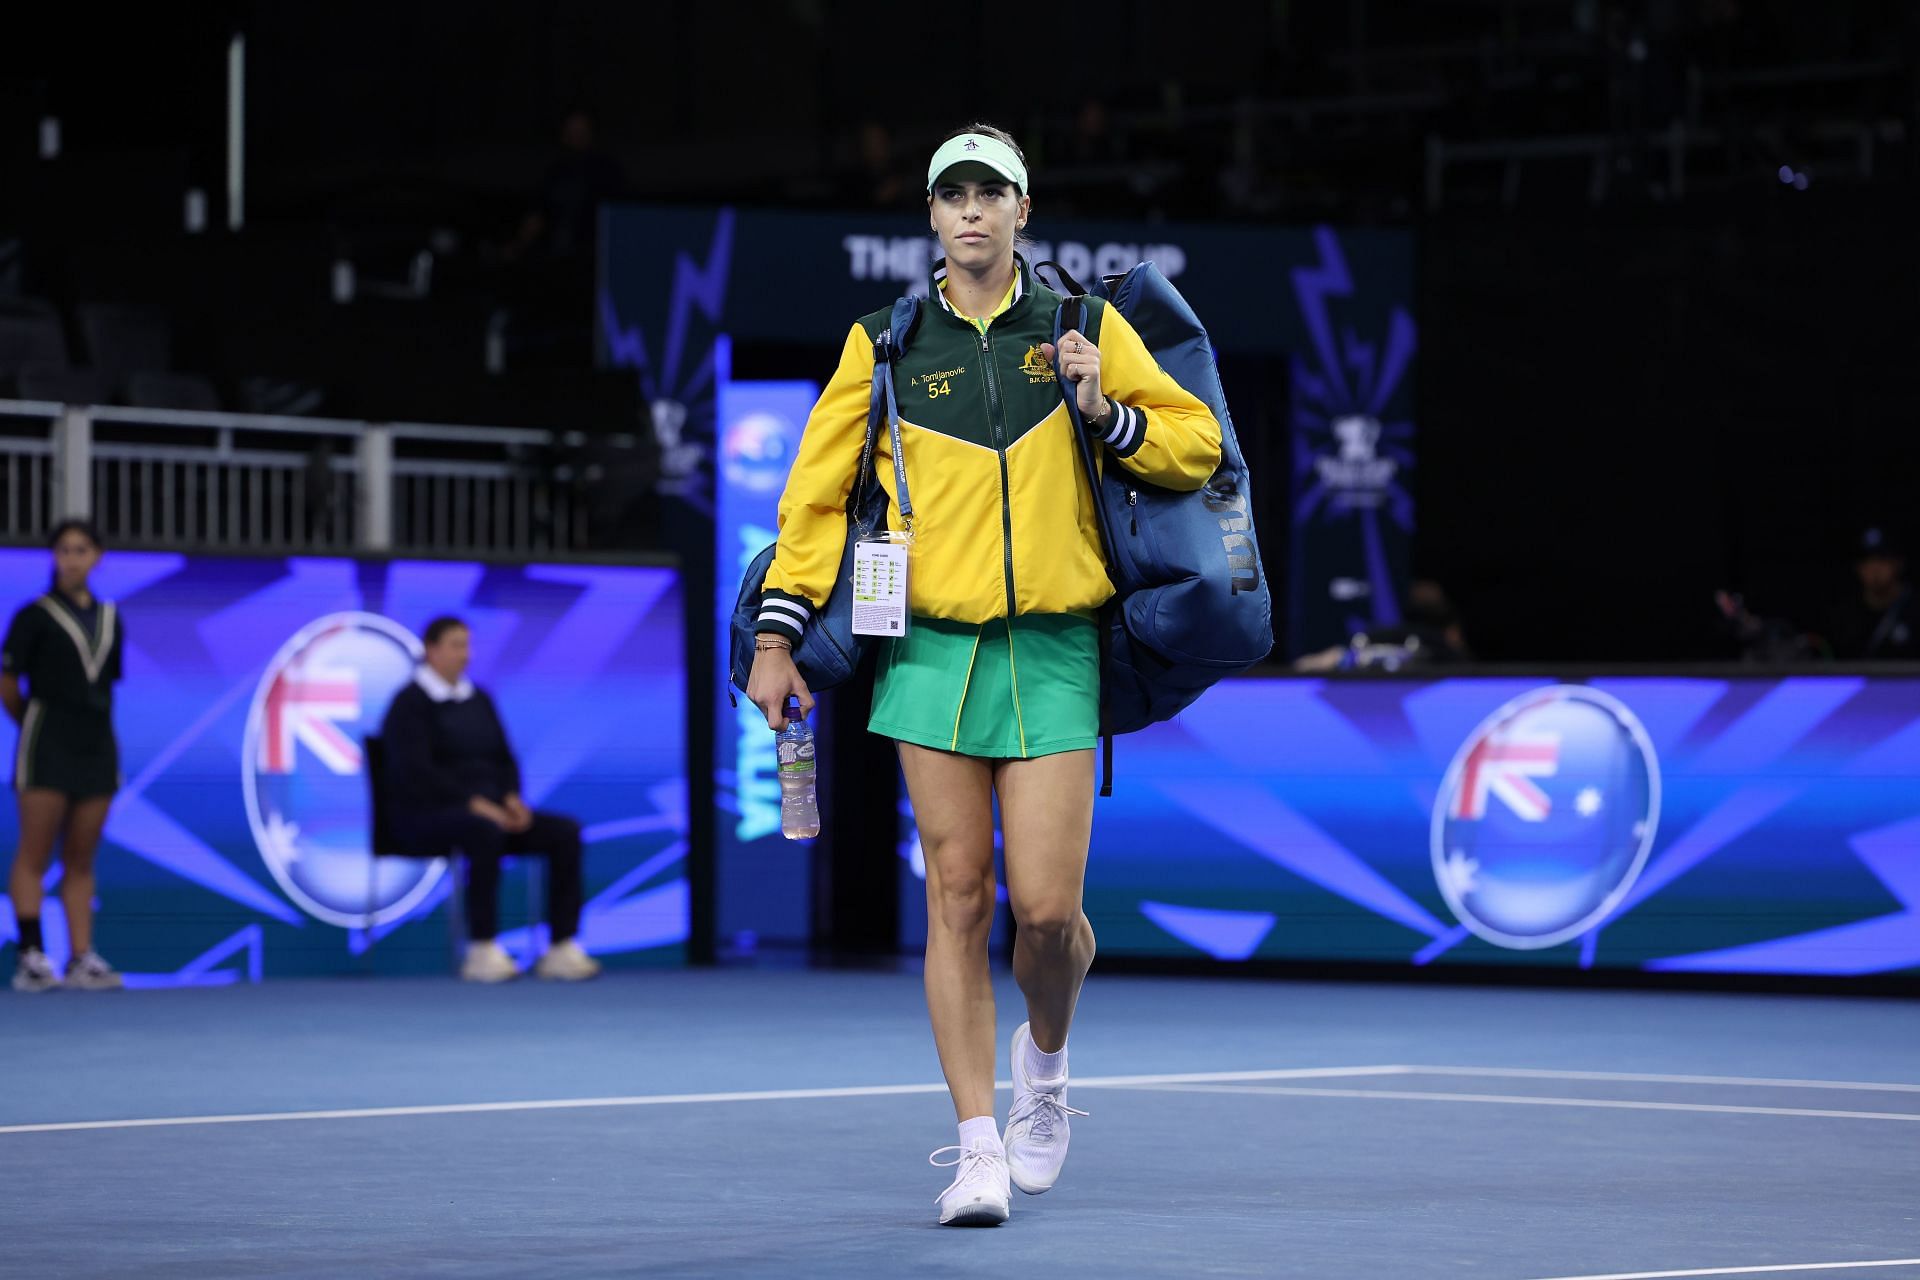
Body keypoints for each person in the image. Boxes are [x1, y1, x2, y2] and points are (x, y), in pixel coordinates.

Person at [746, 123, 1221, 1226]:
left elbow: (1196, 447)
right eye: (951, 194)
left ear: (1021, 211)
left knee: (1048, 915)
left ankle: (1043, 1072)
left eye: (990, 193)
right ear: (930, 217)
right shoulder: (884, 343)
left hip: (1055, 645)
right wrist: (776, 640)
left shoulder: (1082, 326)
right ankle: (974, 1149)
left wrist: (1110, 408)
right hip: (927, 651)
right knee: (958, 898)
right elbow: (814, 505)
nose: (971, 211)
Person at [379, 616, 600, 983]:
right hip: (424, 816)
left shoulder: (478, 698)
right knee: (484, 832)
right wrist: (476, 804)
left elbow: (504, 758)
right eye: (456, 645)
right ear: (431, 651)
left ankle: (561, 946)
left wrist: (511, 799)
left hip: (493, 812)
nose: (465, 654)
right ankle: (481, 948)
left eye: (467, 644)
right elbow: (417, 773)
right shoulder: (408, 704)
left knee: (564, 832)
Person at [2, 519, 126, 993]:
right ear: (53, 557)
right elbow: (9, 686)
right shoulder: (33, 616)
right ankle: (31, 955)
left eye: (82, 549)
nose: (72, 558)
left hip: (96, 745)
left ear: (97, 556)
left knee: (81, 858)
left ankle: (80, 958)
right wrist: (37, 725)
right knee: (34, 852)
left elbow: (106, 684)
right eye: (64, 550)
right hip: (45, 745)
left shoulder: (113, 618)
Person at [1828, 526, 1916, 661]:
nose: (1874, 568)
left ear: (1898, 563)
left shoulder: (1914, 609)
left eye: (1882, 559)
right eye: (1867, 561)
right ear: (1858, 568)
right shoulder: (1844, 615)